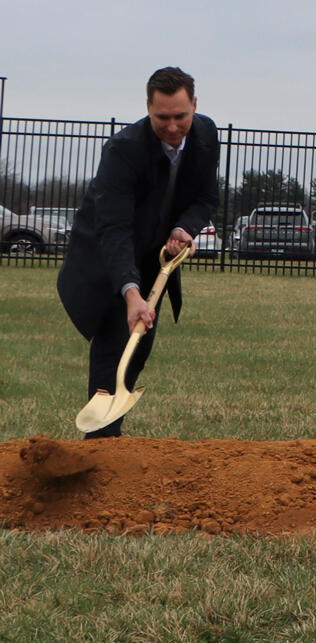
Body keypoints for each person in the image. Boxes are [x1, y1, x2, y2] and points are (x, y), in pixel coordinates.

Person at [55, 67, 220, 438]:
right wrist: (131, 292)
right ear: (148, 108)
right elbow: (114, 229)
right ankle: (99, 449)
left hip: (153, 256)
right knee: (115, 344)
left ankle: (112, 441)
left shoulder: (207, 136)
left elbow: (206, 197)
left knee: (138, 349)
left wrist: (184, 228)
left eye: (181, 116)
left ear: (194, 105)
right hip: (106, 257)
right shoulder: (123, 150)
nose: (174, 127)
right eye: (163, 117)